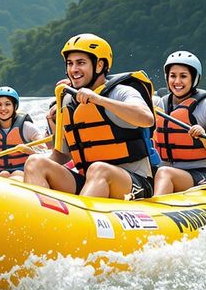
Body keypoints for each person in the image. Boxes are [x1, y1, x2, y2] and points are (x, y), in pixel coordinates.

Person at [23, 33, 156, 200]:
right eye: (70, 63)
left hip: (134, 183)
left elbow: (146, 118)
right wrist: (36, 165)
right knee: (35, 163)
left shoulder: (122, 91)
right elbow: (62, 155)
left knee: (98, 169)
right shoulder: (68, 100)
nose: (73, 69)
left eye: (81, 63)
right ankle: (38, 218)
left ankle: (79, 221)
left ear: (99, 65)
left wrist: (98, 100)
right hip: (90, 183)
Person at [152, 50, 206, 194]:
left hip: (202, 173)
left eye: (183, 76)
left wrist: (203, 136)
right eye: (173, 76)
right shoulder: (158, 105)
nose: (177, 81)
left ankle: (155, 211)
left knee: (164, 173)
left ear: (194, 78)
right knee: (161, 172)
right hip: (164, 170)